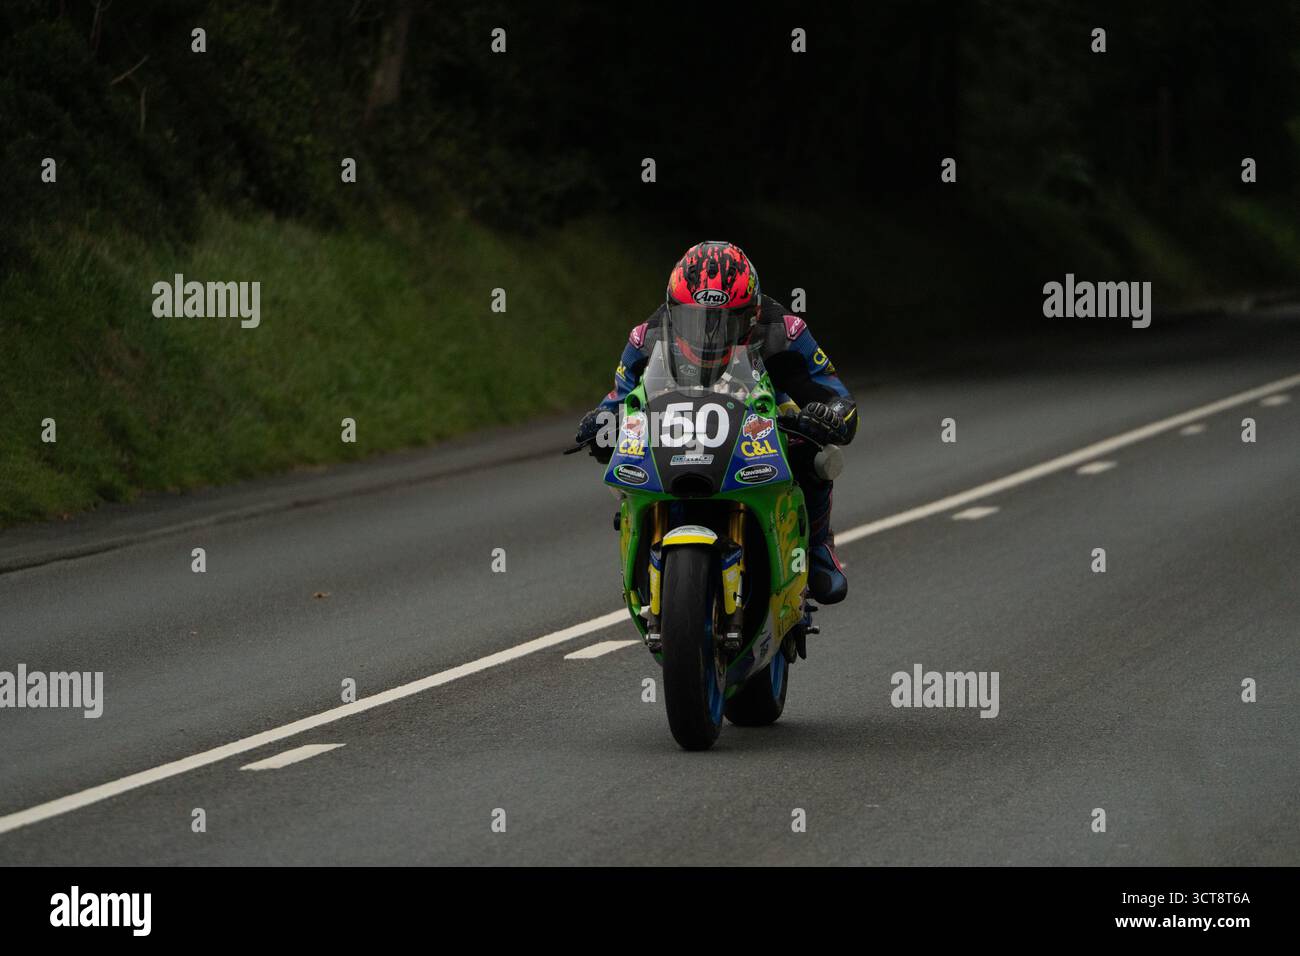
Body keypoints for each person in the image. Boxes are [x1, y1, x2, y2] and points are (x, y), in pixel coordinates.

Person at [575, 241, 857, 604]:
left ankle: (817, 547)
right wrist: (601, 422)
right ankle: (645, 553)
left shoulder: (783, 331)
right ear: (673, 311)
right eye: (696, 320)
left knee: (813, 451)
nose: (709, 334)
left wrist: (829, 416)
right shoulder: (647, 337)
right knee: (624, 460)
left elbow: (837, 397)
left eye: (727, 323)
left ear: (753, 314)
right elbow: (621, 398)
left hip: (757, 422)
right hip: (677, 432)